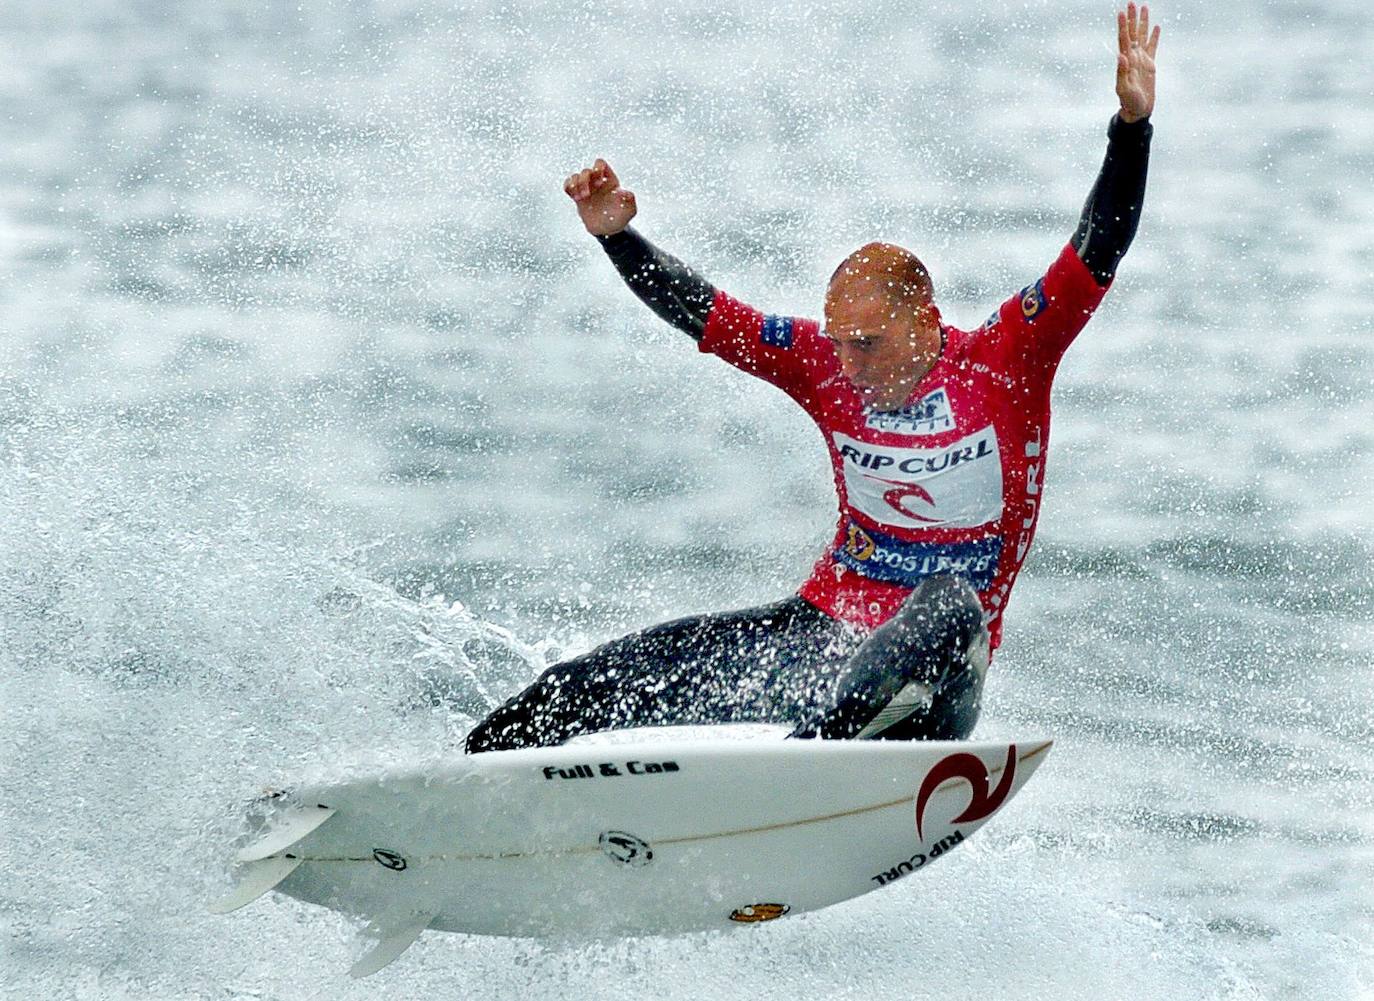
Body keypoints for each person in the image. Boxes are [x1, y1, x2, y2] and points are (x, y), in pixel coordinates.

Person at [465, 4, 1160, 754]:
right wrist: (616, 237)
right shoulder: (823, 365)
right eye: (840, 345)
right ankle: (463, 784)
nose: (849, 365)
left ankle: (790, 771)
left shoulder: (1007, 359)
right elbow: (703, 312)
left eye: (868, 344)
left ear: (925, 321)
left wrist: (1131, 127)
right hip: (818, 640)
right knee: (597, 681)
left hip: (932, 684)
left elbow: (1100, 244)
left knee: (948, 604)